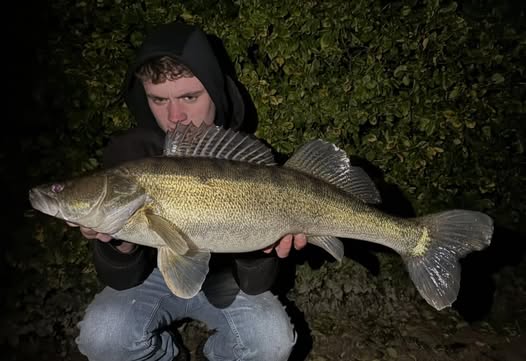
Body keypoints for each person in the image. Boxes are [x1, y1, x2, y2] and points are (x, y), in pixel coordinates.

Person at [72, 22, 307, 361]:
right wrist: (117, 241)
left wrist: (262, 248)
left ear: (215, 89)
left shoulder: (248, 160)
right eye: (158, 99)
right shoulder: (128, 156)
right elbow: (123, 280)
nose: (176, 116)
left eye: (189, 96)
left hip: (228, 280)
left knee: (271, 342)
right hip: (154, 277)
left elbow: (255, 284)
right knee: (103, 336)